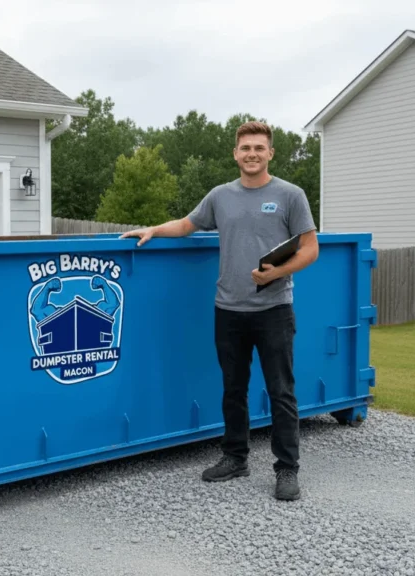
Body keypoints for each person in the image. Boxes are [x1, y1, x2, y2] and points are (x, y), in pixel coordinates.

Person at [120, 121, 318, 501]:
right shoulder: (220, 196)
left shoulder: (291, 195)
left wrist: (277, 273)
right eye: (245, 148)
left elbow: (311, 248)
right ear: (235, 153)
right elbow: (186, 225)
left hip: (274, 309)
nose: (252, 154)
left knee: (281, 392)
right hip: (228, 309)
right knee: (233, 388)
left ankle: (287, 469)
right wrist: (152, 230)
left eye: (259, 148)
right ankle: (235, 457)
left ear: (270, 153)